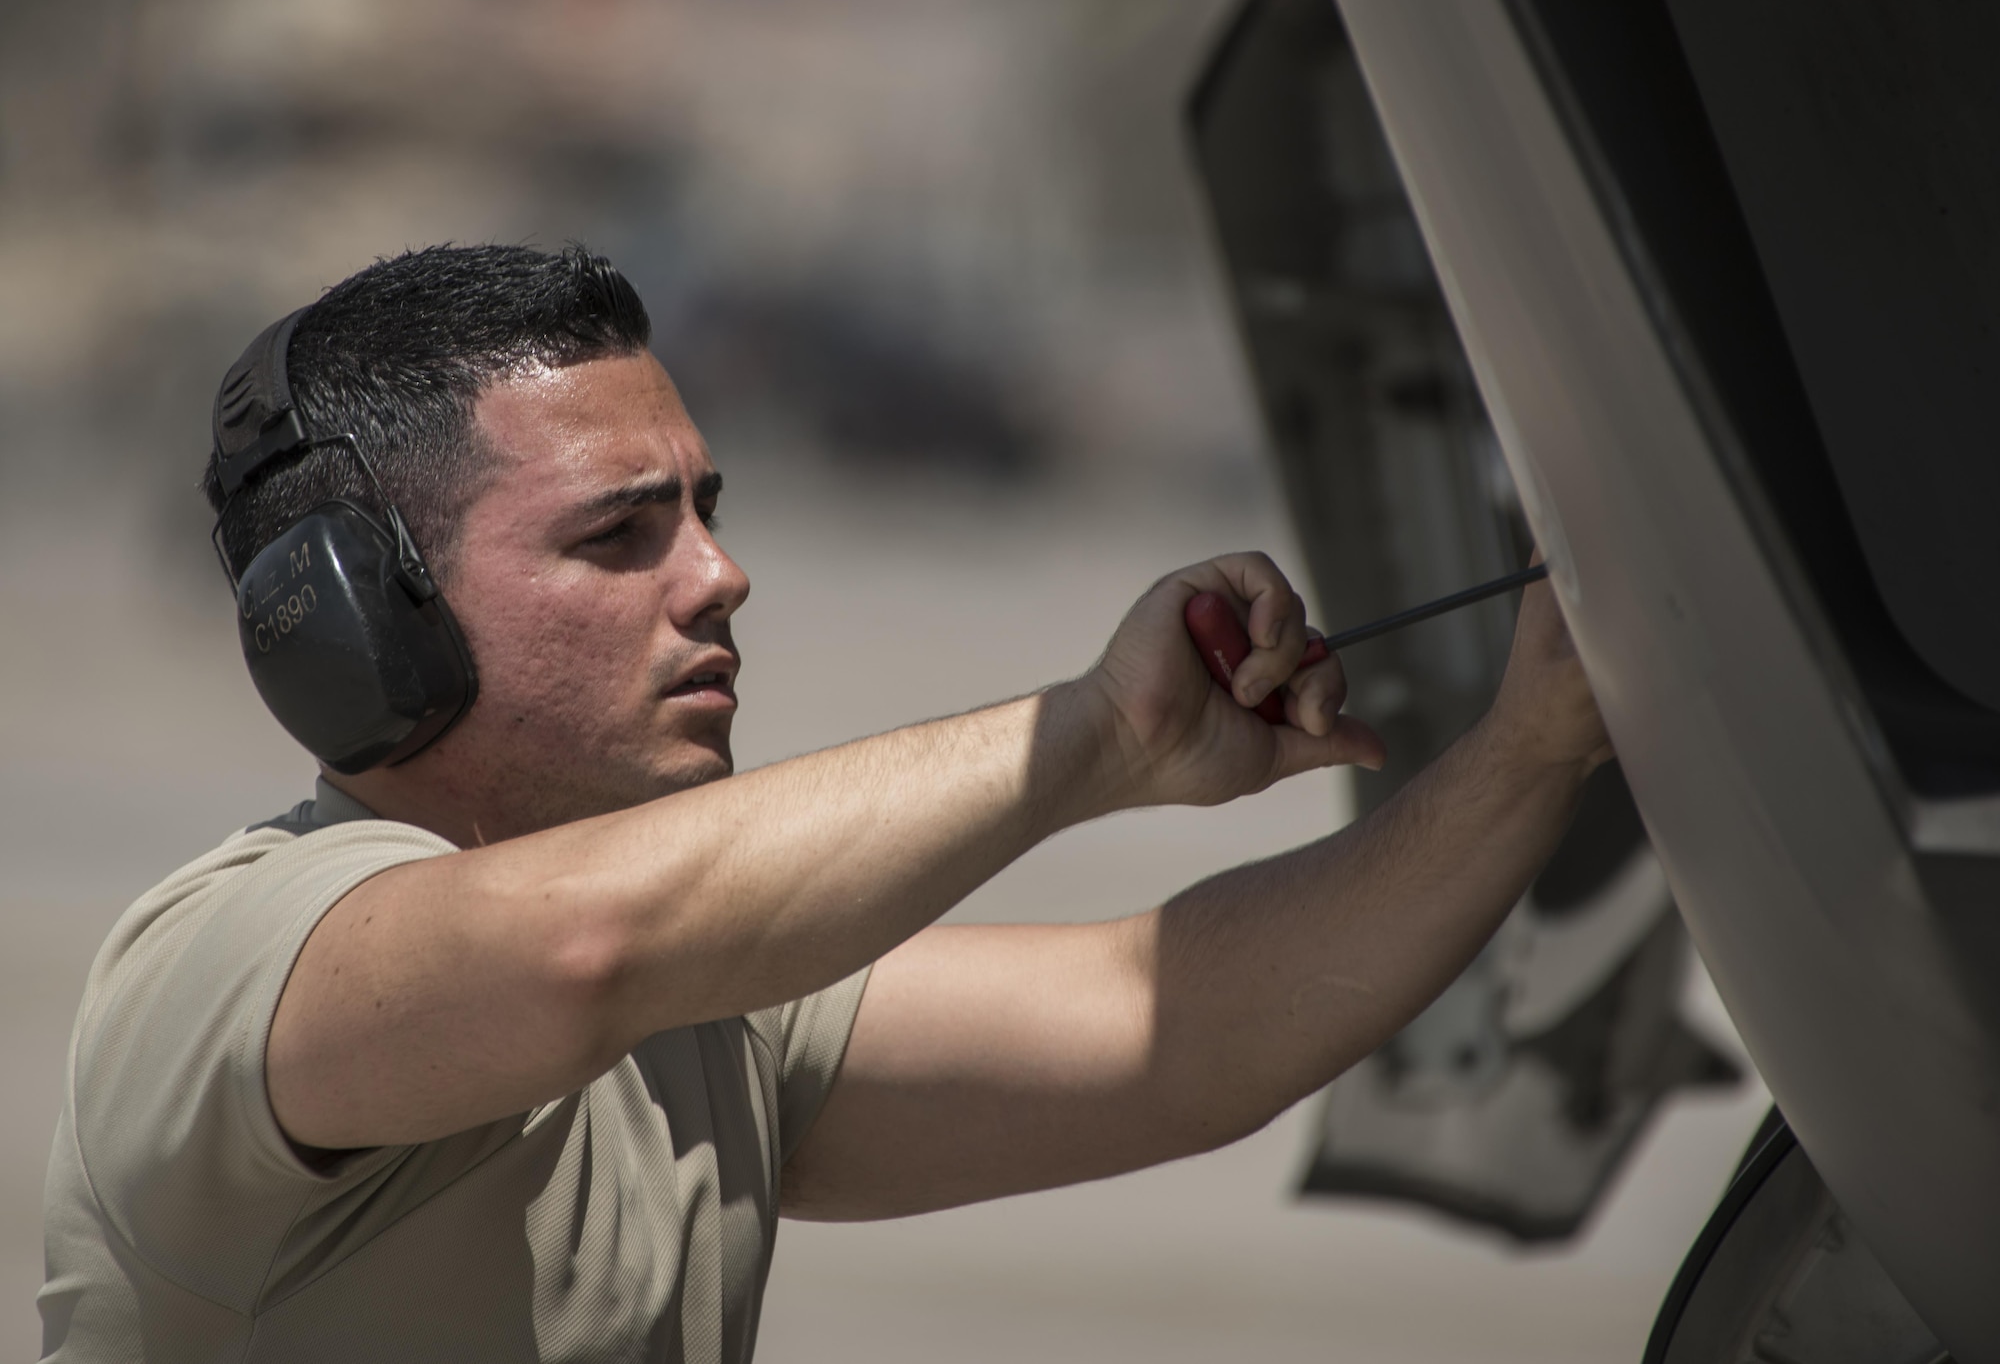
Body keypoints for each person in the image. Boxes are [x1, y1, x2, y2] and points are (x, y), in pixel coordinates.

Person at [39, 244, 1610, 1362]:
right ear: (362, 622)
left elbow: (1177, 1028)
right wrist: (1095, 738)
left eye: (705, 513)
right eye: (618, 536)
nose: (719, 577)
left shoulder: (705, 1017)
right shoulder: (234, 954)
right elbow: (583, 943)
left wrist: (1531, 746)